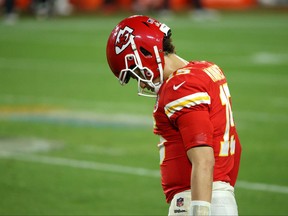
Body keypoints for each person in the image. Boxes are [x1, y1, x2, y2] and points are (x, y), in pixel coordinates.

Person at [106, 15, 242, 216]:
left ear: (145, 53)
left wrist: (200, 210)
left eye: (135, 72)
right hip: (217, 194)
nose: (142, 82)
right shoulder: (206, 69)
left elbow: (203, 159)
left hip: (196, 199)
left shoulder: (180, 86)